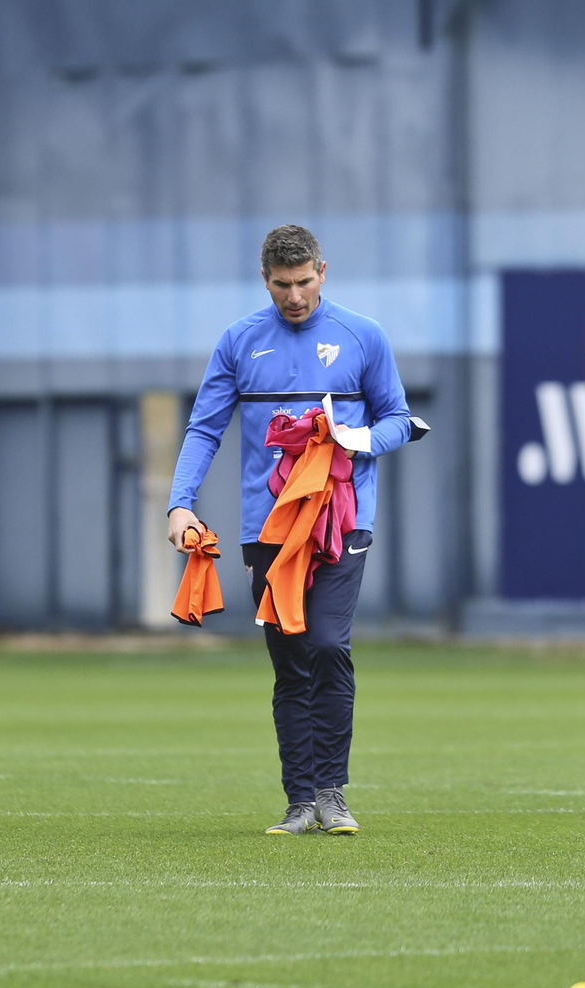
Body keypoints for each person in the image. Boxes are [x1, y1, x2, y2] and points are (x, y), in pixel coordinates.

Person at [167, 224, 413, 835]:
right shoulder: (239, 342)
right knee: (291, 659)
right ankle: (300, 803)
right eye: (283, 285)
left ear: (322, 272)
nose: (295, 296)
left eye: (305, 282)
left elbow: (400, 420)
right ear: (265, 280)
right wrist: (180, 504)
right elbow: (204, 429)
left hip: (341, 520)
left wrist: (354, 441)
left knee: (329, 643)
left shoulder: (364, 336)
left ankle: (333, 793)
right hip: (268, 529)